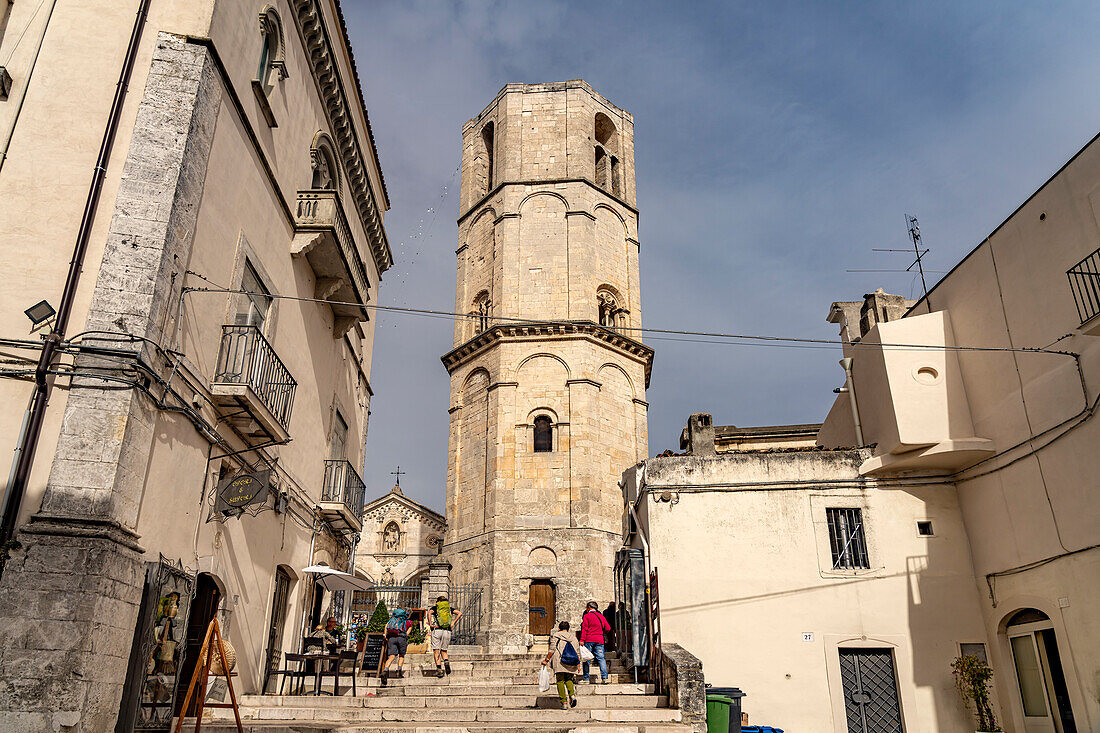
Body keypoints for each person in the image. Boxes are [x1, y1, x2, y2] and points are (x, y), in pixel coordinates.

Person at [542, 621, 580, 710]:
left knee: (560, 681)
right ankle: (572, 695)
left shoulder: (556, 636)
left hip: (559, 661)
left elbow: (552, 649)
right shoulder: (574, 638)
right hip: (571, 661)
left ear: (559, 628)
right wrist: (578, 664)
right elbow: (577, 651)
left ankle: (564, 702)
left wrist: (546, 660)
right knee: (569, 679)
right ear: (568, 628)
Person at [428, 595, 462, 678]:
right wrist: (453, 622)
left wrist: (430, 623)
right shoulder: (449, 608)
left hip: (437, 630)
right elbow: (459, 613)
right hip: (447, 631)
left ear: (438, 601)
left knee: (436, 651)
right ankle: (446, 661)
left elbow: (429, 613)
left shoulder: (435, 607)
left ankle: (439, 670)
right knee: (444, 651)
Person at [579, 600, 611, 683]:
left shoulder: (587, 616)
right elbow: (608, 628)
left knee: (587, 659)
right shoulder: (601, 616)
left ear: (589, 607)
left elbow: (584, 628)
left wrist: (582, 639)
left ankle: (586, 678)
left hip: (589, 639)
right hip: (599, 640)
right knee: (601, 659)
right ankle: (604, 678)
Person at [380, 608, 409, 686]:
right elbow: (407, 633)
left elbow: (386, 626)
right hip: (401, 638)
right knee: (401, 655)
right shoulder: (407, 621)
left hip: (391, 638)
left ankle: (385, 670)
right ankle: (398, 671)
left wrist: (385, 635)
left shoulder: (392, 619)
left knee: (391, 656)